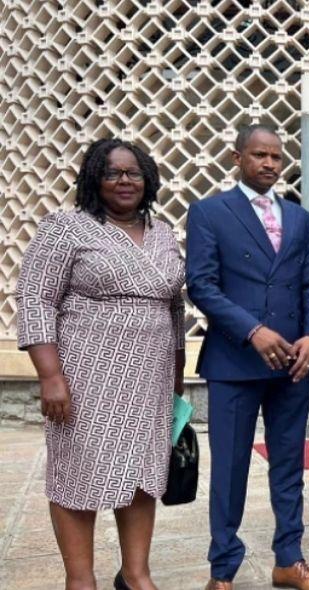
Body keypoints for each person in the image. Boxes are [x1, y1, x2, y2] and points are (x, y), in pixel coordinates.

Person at [16, 138, 185, 590]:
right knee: (79, 476)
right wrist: (50, 376)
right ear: (95, 178)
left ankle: (135, 574)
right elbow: (35, 299)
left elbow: (175, 308)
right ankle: (81, 580)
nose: (125, 181)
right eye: (113, 172)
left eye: (134, 173)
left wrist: (177, 377)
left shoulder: (163, 232)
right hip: (86, 377)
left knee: (144, 475)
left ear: (148, 179)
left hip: (149, 379)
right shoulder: (66, 227)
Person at [185, 125, 309, 590]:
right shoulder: (210, 212)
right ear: (238, 158)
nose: (270, 163)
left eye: (276, 156)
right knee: (229, 469)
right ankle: (223, 572)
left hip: (293, 364)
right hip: (234, 362)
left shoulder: (299, 218)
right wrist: (252, 330)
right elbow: (202, 285)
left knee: (289, 466)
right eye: (259, 155)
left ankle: (288, 561)